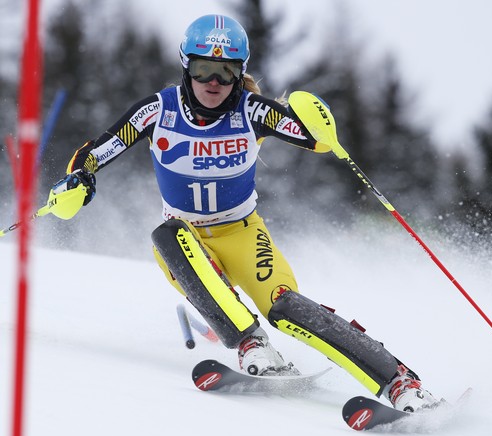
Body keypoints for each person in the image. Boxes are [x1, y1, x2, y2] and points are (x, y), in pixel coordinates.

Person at [52, 14, 439, 412]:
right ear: (187, 67)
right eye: (204, 69)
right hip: (186, 239)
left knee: (284, 306)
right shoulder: (158, 111)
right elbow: (94, 153)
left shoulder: (252, 111)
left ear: (240, 74)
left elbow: (314, 139)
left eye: (226, 71)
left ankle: (400, 383)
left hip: (242, 233)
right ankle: (252, 344)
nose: (214, 82)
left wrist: (320, 127)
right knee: (168, 236)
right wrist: (80, 180)